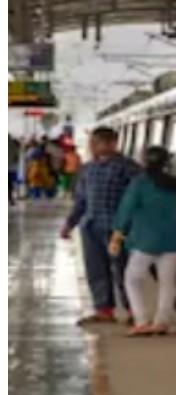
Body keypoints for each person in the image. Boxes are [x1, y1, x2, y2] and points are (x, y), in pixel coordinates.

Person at [109, 146, 176, 337]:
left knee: (132, 279)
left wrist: (116, 237)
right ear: (166, 162)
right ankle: (161, 322)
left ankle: (142, 321)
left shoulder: (139, 184)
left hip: (144, 242)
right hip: (171, 241)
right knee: (167, 282)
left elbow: (125, 210)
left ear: (144, 161)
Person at [61, 127, 141, 325]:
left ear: (113, 144)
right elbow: (81, 201)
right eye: (93, 143)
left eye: (98, 142)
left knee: (123, 269)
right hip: (91, 226)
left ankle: (135, 310)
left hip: (119, 229)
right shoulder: (87, 169)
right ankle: (104, 310)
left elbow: (139, 198)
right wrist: (69, 223)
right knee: (96, 269)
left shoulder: (129, 168)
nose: (93, 146)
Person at [9, 136, 21, 206]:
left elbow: (16, 159)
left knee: (10, 185)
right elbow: (16, 159)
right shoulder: (15, 149)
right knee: (11, 185)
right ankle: (11, 199)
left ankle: (11, 198)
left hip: (11, 169)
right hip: (11, 169)